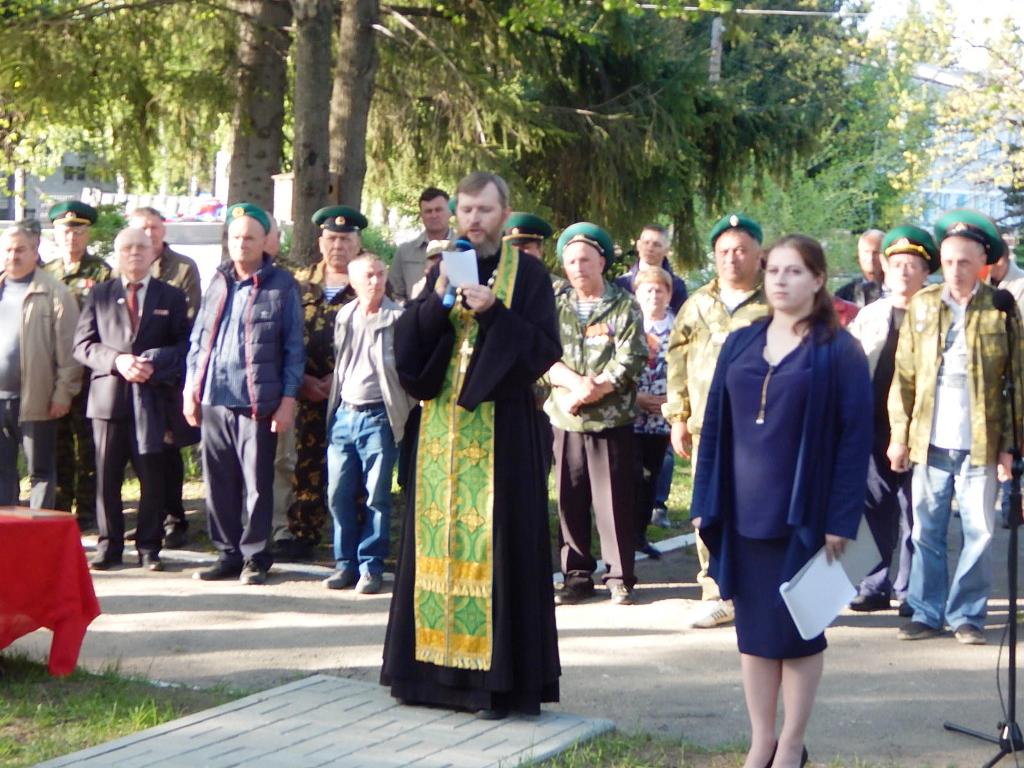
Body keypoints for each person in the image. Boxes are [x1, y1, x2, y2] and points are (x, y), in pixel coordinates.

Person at [381, 171, 561, 718]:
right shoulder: (441, 269)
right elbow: (409, 352)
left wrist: (493, 313)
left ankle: (495, 684)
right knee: (434, 547)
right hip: (440, 434)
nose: (474, 220)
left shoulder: (528, 276)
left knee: (497, 552)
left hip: (502, 437)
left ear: (504, 216)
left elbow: (542, 350)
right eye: (466, 210)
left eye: (485, 210)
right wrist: (434, 303)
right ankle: (429, 677)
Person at [691, 234, 871, 768]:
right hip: (744, 510)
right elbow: (716, 428)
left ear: (818, 280)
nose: (781, 281)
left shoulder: (839, 350)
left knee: (799, 631)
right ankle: (761, 740)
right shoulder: (740, 342)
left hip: (806, 514)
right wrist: (705, 500)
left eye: (795, 272)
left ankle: (792, 744)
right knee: (755, 635)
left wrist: (842, 517)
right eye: (774, 271)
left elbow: (854, 438)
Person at [889, 209, 1020, 645]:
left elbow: (1017, 381)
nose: (955, 270)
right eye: (948, 262)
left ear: (982, 262)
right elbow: (903, 377)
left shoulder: (1001, 308)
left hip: (982, 441)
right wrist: (899, 436)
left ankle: (966, 614)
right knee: (927, 530)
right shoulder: (923, 306)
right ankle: (927, 611)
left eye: (965, 262)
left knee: (979, 532)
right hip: (930, 439)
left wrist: (1011, 445)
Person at [184, 202, 305, 585]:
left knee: (256, 483)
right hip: (214, 398)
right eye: (235, 237)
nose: (241, 243)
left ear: (265, 242)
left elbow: (293, 350)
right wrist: (191, 388)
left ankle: (255, 557)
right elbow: (199, 339)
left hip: (257, 401)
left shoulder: (282, 285)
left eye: (250, 237)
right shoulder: (217, 280)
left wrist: (288, 400)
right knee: (218, 480)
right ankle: (227, 554)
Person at [663, 213, 769, 628]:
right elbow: (677, 359)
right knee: (708, 508)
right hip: (707, 425)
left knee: (757, 508)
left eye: (741, 250)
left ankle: (757, 588)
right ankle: (715, 590)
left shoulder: (772, 302)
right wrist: (677, 416)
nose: (732, 258)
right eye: (724, 251)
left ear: (759, 254)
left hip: (759, 427)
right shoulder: (697, 303)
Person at [73, 228, 191, 571]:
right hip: (108, 400)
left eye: (141, 247)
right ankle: (109, 546)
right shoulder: (101, 294)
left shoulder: (171, 296)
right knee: (107, 476)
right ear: (118, 254)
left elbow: (185, 347)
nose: (135, 253)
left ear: (153, 252)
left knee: (152, 476)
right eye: (127, 248)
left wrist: (155, 362)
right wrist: (118, 361)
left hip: (152, 400)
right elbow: (83, 345)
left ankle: (149, 547)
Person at [546, 223, 647, 606]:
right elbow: (544, 355)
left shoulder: (623, 304)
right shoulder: (556, 305)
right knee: (569, 500)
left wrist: (590, 390)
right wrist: (574, 387)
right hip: (566, 419)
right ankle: (576, 575)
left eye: (585, 259)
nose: (578, 267)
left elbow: (632, 357)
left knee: (614, 501)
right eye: (571, 261)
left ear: (602, 261)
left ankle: (619, 577)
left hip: (611, 420)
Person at [846, 225, 938, 614]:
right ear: (884, 269)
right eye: (896, 264)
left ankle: (911, 588)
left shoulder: (937, 315)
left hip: (923, 425)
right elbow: (849, 368)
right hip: (873, 425)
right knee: (873, 504)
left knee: (917, 508)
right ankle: (874, 583)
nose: (903, 271)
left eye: (912, 264)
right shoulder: (870, 316)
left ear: (925, 272)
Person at [273, 205, 362, 562]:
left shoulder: (366, 280)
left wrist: (336, 380)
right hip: (305, 389)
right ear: (320, 241)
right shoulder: (297, 282)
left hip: (352, 393)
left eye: (346, 239)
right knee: (304, 464)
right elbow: (280, 337)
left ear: (358, 243)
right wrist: (304, 380)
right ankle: (302, 533)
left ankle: (352, 539)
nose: (338, 246)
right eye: (332, 238)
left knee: (351, 468)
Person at [323, 254, 415, 594]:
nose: (375, 281)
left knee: (377, 496)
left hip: (380, 415)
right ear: (353, 281)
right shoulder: (345, 314)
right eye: (367, 276)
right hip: (345, 415)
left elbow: (408, 369)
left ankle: (370, 566)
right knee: (338, 493)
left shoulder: (398, 317)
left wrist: (404, 408)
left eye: (379, 274)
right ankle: (344, 564)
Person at [126, 206, 202, 550]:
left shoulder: (183, 268)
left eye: (155, 227)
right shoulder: (122, 265)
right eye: (142, 228)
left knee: (168, 450)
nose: (149, 234)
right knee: (137, 452)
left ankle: (174, 519)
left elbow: (190, 320)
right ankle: (148, 519)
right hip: (128, 375)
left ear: (163, 230)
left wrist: (158, 360)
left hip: (168, 375)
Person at [0, 225, 81, 509]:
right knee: (2, 473)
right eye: (8, 250)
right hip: (0, 400)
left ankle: (37, 538)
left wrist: (63, 394)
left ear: (35, 252)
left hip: (37, 399)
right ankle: (6, 539)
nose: (13, 256)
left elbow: (70, 352)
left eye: (21, 249)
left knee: (41, 472)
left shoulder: (55, 292)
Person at [45, 200, 111, 526]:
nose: (72, 237)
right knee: (56, 446)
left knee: (89, 446)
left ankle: (87, 514)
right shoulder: (44, 275)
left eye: (79, 230)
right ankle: (58, 509)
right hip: (53, 375)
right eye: (65, 230)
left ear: (88, 234)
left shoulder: (103, 273)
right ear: (55, 233)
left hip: (90, 374)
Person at [631, 267, 675, 560]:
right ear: (637, 293)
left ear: (669, 294)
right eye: (647, 289)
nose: (654, 295)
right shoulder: (630, 324)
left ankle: (640, 535)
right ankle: (622, 535)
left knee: (651, 478)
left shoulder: (679, 326)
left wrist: (671, 401)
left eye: (660, 289)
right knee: (628, 478)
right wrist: (636, 398)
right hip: (630, 415)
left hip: (662, 417)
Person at [389, 187, 454, 302]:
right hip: (415, 314)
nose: (434, 215)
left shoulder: (464, 248)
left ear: (450, 212)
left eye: (439, 210)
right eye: (428, 211)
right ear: (421, 216)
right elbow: (395, 293)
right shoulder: (405, 252)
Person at [614, 224, 688, 313]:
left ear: (666, 250)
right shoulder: (622, 284)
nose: (650, 248)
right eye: (646, 243)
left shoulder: (677, 286)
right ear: (638, 246)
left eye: (656, 245)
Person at [835, 229, 884, 307]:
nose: (870, 258)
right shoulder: (845, 294)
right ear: (858, 255)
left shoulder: (897, 290)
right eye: (866, 252)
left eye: (875, 252)